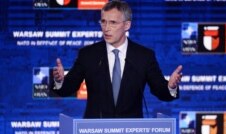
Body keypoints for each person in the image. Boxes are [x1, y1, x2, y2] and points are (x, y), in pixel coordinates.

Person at [53, 0, 182, 118]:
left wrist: (170, 87)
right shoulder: (88, 54)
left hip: (130, 133)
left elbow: (160, 90)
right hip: (95, 133)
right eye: (103, 22)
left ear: (127, 25)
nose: (106, 28)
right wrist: (60, 81)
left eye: (113, 23)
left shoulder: (144, 56)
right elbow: (68, 88)